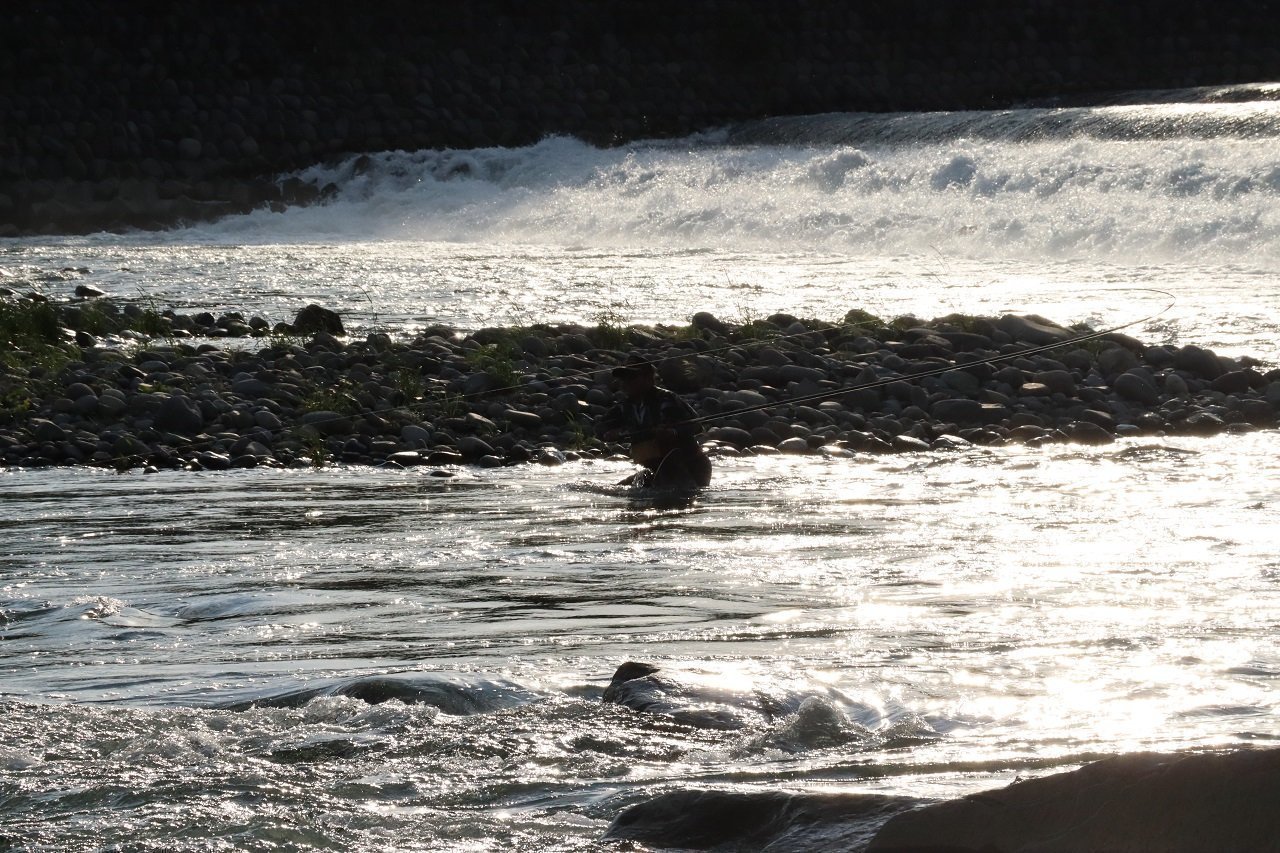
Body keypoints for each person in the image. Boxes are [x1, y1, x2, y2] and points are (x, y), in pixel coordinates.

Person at [598, 356, 712, 489]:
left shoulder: (667, 399)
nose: (625, 383)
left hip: (691, 466)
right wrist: (610, 434)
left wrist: (673, 432)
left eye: (631, 377)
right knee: (616, 490)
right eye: (623, 378)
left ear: (648, 378)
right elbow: (600, 427)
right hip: (656, 469)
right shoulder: (623, 407)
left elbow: (696, 425)